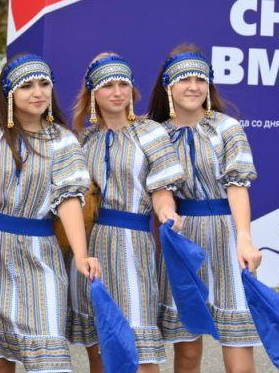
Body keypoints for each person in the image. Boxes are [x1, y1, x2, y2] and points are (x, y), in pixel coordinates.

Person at [0, 53, 99, 372]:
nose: (38, 93)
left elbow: (69, 202)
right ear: (8, 93)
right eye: (27, 86)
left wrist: (82, 254)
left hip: (39, 255)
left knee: (49, 359)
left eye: (44, 84)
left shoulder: (63, 141)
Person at [68, 52, 185, 372]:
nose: (117, 92)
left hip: (133, 244)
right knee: (101, 347)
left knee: (140, 346)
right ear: (93, 93)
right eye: (108, 85)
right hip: (91, 246)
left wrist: (166, 213)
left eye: (123, 84)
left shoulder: (150, 133)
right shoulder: (84, 139)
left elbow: (162, 192)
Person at [150, 44, 262, 373]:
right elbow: (160, 189)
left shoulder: (228, 128)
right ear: (168, 85)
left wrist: (244, 237)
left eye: (201, 78)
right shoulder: (157, 134)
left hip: (226, 234)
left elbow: (238, 186)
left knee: (238, 341)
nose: (194, 86)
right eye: (184, 79)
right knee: (186, 348)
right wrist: (166, 213)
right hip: (183, 239)